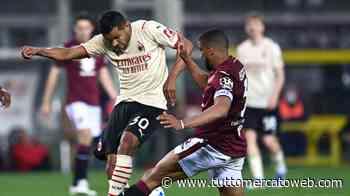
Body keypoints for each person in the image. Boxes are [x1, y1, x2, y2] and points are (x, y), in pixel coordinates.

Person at [21, 10, 192, 196]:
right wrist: (39, 50)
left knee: (127, 142)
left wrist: (172, 78)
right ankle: (150, 193)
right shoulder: (102, 41)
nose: (115, 44)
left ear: (126, 26)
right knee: (111, 166)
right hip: (124, 102)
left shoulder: (147, 29)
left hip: (152, 103)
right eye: (110, 40)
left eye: (117, 37)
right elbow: (69, 53)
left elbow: (186, 45)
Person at [122, 30, 248, 196]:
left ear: (211, 51)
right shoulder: (234, 66)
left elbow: (221, 109)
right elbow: (208, 84)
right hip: (233, 147)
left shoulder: (223, 75)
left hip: (211, 144)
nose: (201, 56)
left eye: (202, 52)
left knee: (152, 178)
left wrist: (182, 123)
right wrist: (187, 60)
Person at [39, 14, 117, 196]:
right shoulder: (67, 48)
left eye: (86, 27)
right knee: (85, 135)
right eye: (79, 28)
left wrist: (115, 96)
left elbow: (103, 74)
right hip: (76, 102)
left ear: (92, 29)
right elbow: (54, 75)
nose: (83, 31)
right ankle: (81, 182)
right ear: (75, 29)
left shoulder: (99, 47)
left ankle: (78, 183)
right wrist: (46, 102)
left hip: (94, 104)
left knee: (94, 144)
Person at [236, 14, 287, 182]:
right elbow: (239, 77)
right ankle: (258, 180)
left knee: (269, 141)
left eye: (256, 24)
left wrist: (275, 96)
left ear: (262, 27)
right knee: (250, 140)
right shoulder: (242, 49)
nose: (252, 28)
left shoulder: (271, 47)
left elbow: (280, 75)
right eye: (249, 25)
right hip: (249, 102)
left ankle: (280, 169)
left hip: (267, 102)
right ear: (246, 28)